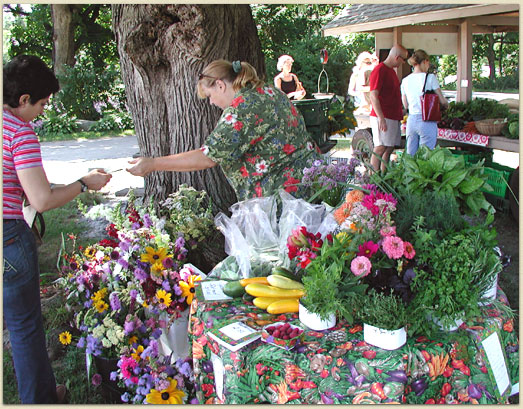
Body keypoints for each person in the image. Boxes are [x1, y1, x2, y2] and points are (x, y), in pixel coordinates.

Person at [3, 55, 112, 404]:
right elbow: (42, 199)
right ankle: (41, 399)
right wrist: (84, 183)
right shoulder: (19, 133)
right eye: (42, 104)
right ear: (24, 101)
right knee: (23, 326)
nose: (42, 111)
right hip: (8, 238)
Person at [127, 59, 320, 201]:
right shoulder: (269, 92)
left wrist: (152, 164)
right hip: (308, 183)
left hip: (282, 197)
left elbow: (207, 157)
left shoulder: (241, 109)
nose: (211, 102)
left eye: (210, 95)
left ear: (220, 85)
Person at [368, 44, 409, 172]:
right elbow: (373, 95)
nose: (404, 62)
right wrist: (381, 118)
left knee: (389, 147)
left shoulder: (391, 71)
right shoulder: (379, 70)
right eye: (403, 59)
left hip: (393, 115)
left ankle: (384, 176)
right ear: (397, 57)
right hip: (383, 115)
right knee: (380, 147)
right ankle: (372, 179)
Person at [401, 49, 449, 155]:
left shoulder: (405, 80)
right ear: (424, 62)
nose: (428, 65)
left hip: (411, 121)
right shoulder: (430, 78)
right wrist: (446, 105)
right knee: (426, 157)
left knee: (411, 156)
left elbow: (405, 104)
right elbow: (442, 100)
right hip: (427, 120)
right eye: (428, 62)